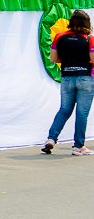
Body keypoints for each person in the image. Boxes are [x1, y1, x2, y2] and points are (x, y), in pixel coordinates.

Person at [42, 10, 94, 156]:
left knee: (64, 110)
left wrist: (67, 61)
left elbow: (53, 58)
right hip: (85, 78)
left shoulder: (59, 36)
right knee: (82, 113)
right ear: (87, 23)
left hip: (66, 77)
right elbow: (93, 58)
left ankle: (51, 139)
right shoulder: (89, 38)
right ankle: (78, 146)